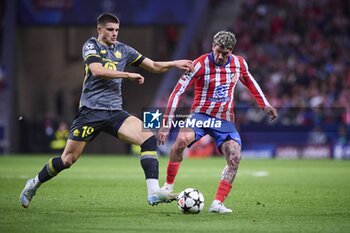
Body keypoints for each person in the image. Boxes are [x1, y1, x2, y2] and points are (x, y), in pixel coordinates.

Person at [20, 13, 194, 208]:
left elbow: (153, 65)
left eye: (117, 30)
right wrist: (127, 74)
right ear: (99, 29)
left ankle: (153, 193)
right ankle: (33, 184)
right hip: (90, 112)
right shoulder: (91, 45)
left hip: (114, 112)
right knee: (67, 160)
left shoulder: (124, 50)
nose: (114, 33)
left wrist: (174, 63)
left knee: (148, 138)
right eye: (110, 29)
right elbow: (97, 70)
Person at [158, 31, 278, 213]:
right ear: (213, 46)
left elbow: (251, 82)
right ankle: (167, 187)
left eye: (225, 53)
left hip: (224, 120)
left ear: (232, 51)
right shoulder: (198, 64)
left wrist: (265, 104)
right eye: (218, 51)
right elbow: (177, 92)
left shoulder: (238, 63)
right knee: (181, 141)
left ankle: (218, 203)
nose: (220, 56)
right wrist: (167, 123)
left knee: (235, 157)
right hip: (199, 116)